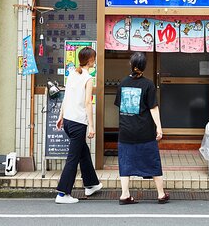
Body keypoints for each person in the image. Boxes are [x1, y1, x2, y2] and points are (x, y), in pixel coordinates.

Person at [114, 52, 169, 205]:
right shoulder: (148, 85)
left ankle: (125, 194)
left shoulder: (123, 83)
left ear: (131, 65)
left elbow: (120, 107)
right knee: (152, 161)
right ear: (144, 66)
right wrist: (159, 127)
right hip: (144, 131)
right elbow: (153, 108)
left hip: (125, 131)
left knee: (125, 162)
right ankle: (161, 194)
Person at [55, 46, 102, 204]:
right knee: (73, 158)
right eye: (94, 58)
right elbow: (88, 102)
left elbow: (66, 97)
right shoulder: (88, 78)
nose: (95, 60)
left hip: (68, 121)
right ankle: (62, 193)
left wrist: (61, 116)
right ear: (90, 60)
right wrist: (91, 125)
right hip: (78, 123)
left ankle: (91, 184)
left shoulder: (72, 74)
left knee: (83, 152)